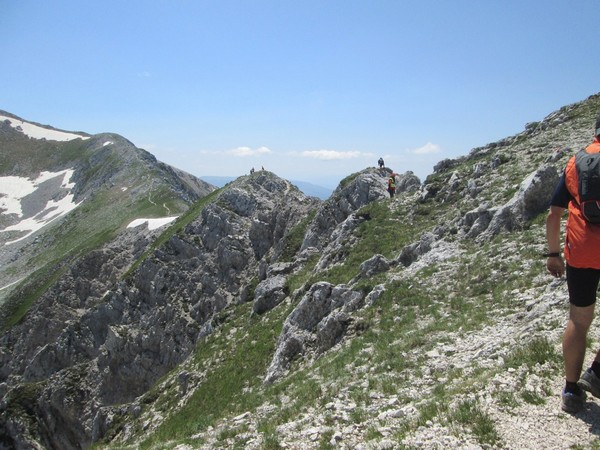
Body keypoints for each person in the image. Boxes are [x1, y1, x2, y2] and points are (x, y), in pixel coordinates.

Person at [546, 116, 600, 413]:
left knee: (579, 320)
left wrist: (554, 254)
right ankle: (597, 372)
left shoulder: (575, 163)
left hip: (580, 252)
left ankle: (570, 390)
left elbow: (553, 213)